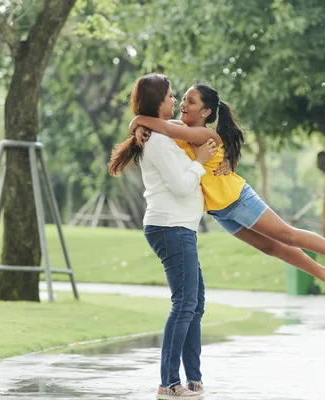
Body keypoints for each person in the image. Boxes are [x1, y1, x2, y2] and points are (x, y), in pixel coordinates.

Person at [129, 83, 325, 305]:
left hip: (237, 199)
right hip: (220, 210)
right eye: (182, 98)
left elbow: (162, 126)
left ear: (206, 112)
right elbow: (161, 126)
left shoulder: (204, 134)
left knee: (287, 235)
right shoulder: (177, 127)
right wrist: (138, 124)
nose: (182, 104)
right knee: (272, 248)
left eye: (190, 101)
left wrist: (137, 121)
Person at [108, 74, 214, 398]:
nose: (175, 101)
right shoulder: (157, 140)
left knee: (194, 305)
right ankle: (169, 382)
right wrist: (199, 162)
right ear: (158, 101)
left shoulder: (161, 135)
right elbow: (182, 185)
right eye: (170, 96)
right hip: (170, 227)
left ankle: (193, 379)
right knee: (184, 304)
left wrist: (136, 122)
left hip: (180, 227)